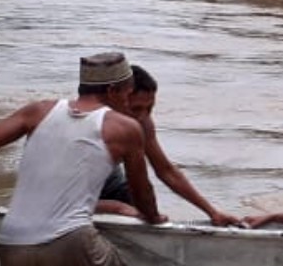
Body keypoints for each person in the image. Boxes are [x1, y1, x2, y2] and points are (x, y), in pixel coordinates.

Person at [0, 52, 165, 266]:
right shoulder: (124, 127)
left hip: (12, 242)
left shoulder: (38, 110)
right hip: (71, 241)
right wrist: (151, 216)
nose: (127, 101)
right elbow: (142, 193)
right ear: (112, 91)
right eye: (126, 93)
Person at [97, 65, 241, 227]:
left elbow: (166, 171)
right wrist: (116, 208)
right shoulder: (89, 125)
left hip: (111, 182)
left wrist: (212, 212)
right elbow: (63, 197)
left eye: (149, 109)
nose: (143, 116)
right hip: (72, 190)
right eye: (136, 109)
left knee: (141, 209)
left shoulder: (143, 123)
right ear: (115, 100)